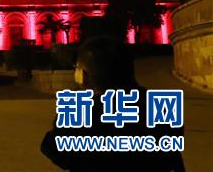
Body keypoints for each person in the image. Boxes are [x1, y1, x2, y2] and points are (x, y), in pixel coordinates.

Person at [40, 36, 186, 172]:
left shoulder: (80, 113)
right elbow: (172, 156)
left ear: (83, 75)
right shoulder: (163, 108)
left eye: (77, 67)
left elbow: (52, 149)